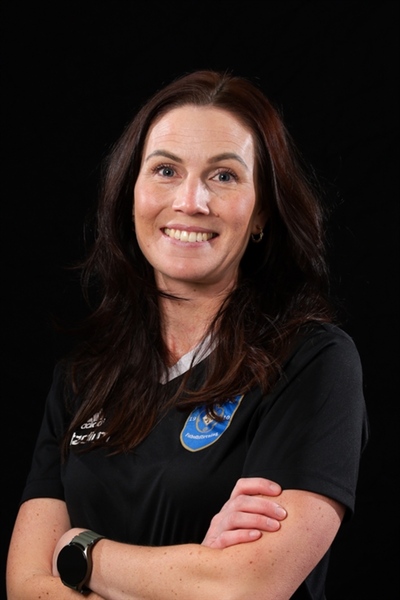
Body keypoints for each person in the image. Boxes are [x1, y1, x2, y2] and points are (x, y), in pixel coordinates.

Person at [6, 69, 368, 600]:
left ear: (261, 212)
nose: (191, 201)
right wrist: (198, 569)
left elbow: (246, 585)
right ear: (131, 194)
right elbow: (24, 585)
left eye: (224, 176)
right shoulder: (82, 380)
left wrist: (80, 552)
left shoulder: (312, 363)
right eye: (166, 170)